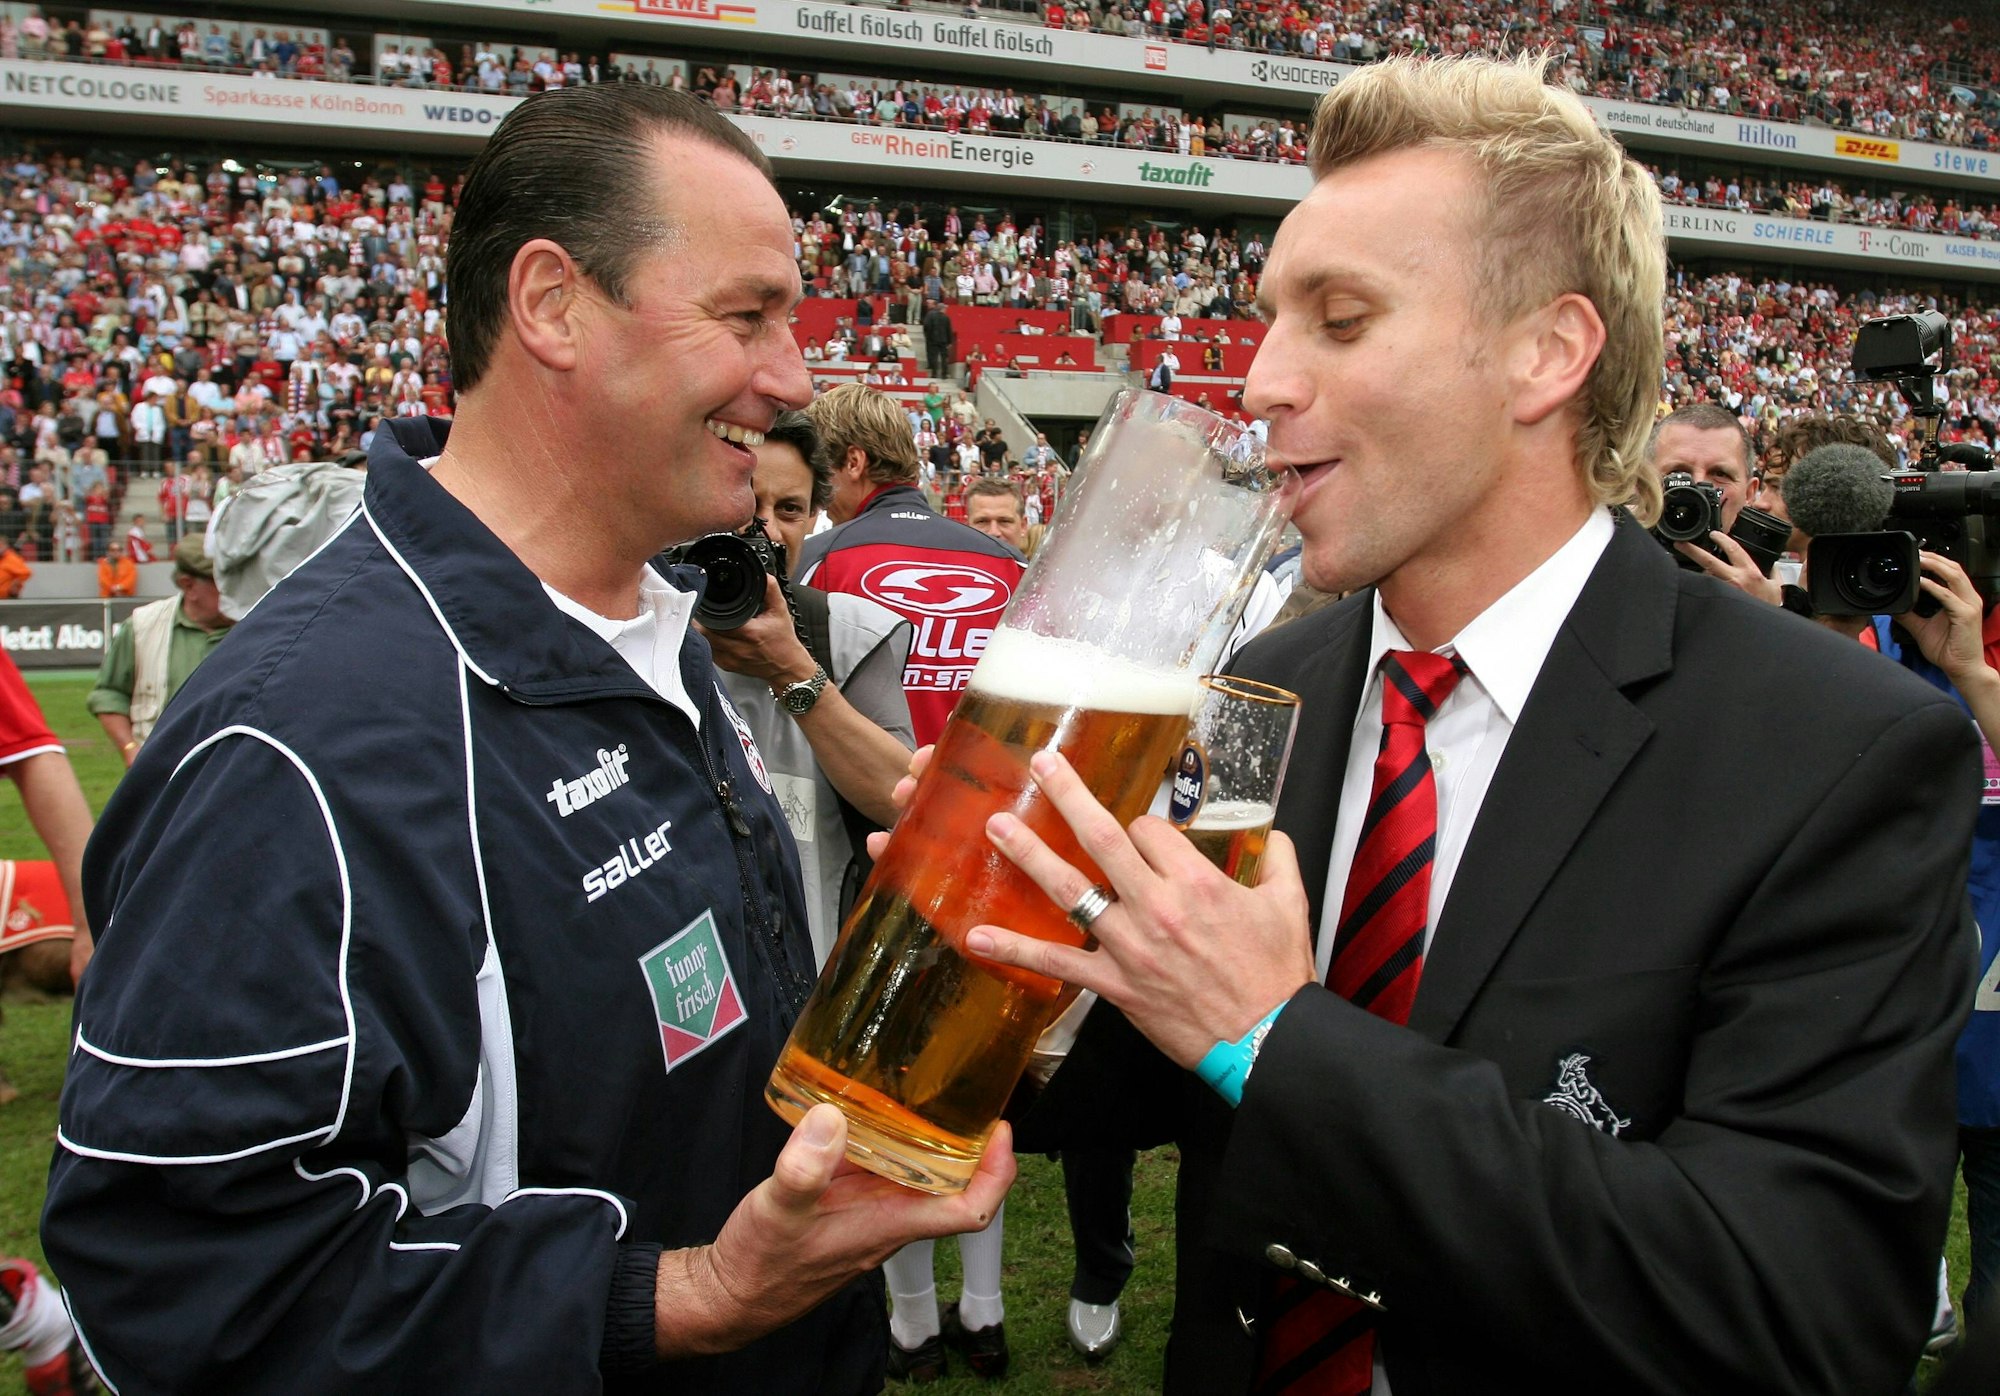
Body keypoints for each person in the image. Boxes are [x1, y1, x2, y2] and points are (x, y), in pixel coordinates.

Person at [974, 55, 1978, 1394]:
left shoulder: (1832, 747)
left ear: (1547, 355)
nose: (1261, 377)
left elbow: (1797, 1309)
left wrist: (1276, 1037)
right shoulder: (1268, 681)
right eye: (1268, 318)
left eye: (1338, 320)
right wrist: (1017, 964)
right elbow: (1156, 1076)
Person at [45, 85, 1009, 1393]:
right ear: (552, 304)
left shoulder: (663, 621)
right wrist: (683, 1299)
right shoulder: (288, 747)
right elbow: (185, 1288)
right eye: (747, 317)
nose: (793, 378)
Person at [797, 382, 1027, 1381]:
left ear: (848, 466)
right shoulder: (1009, 561)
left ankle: (911, 1323)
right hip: (996, 852)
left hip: (876, 853)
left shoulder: (819, 562)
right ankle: (983, 1313)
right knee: (972, 1084)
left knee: (874, 1099)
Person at [698, 410, 916, 963]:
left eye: (790, 510)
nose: (766, 529)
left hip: (809, 961)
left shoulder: (845, 635)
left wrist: (793, 672)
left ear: (815, 518)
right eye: (748, 503)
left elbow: (903, 802)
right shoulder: (641, 625)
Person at [87, 534, 233, 767]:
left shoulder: (258, 627)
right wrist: (130, 748)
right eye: (223, 583)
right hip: (161, 775)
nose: (234, 591)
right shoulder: (141, 626)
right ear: (188, 585)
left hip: (233, 772)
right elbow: (109, 695)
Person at [963, 479, 1028, 555]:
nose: (993, 532)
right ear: (966, 526)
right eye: (982, 521)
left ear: (1023, 526)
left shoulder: (1039, 566)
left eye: (1004, 521)